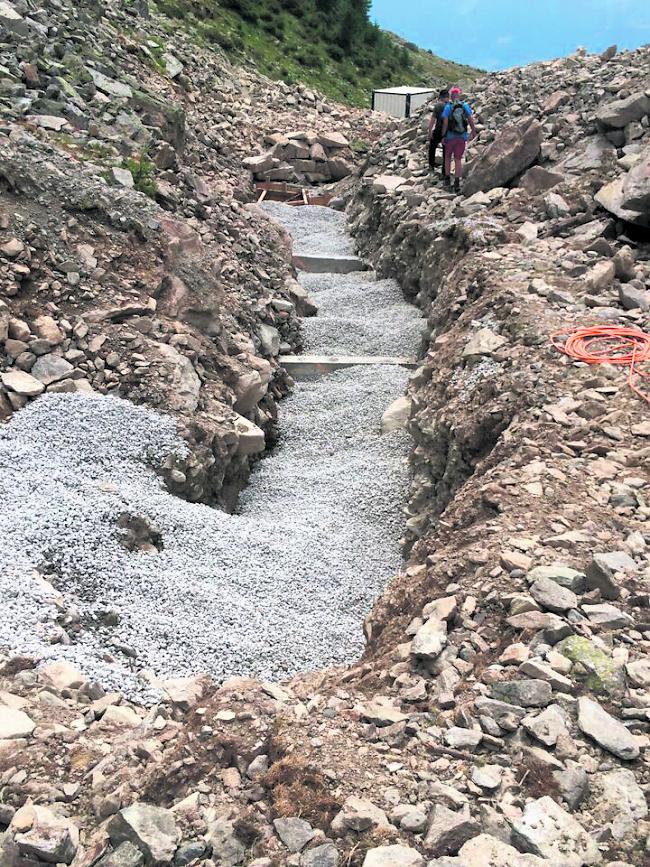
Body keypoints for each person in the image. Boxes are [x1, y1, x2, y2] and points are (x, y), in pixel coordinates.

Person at [440, 85, 477, 192]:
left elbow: (445, 123)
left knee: (447, 157)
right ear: (459, 95)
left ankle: (447, 179)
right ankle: (457, 182)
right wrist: (473, 131)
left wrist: (443, 135)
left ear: (452, 96)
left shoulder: (448, 107)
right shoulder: (464, 105)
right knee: (458, 159)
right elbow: (470, 119)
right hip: (462, 136)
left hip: (450, 136)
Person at [427, 88, 450, 177]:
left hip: (439, 130)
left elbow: (433, 120)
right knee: (446, 151)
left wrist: (429, 132)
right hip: (449, 132)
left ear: (440, 97)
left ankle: (431, 166)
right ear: (448, 97)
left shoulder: (438, 106)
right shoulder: (450, 106)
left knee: (432, 146)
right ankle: (444, 172)